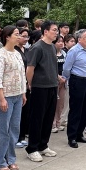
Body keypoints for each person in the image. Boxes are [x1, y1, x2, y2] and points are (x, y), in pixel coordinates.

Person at [0, 26, 27, 170]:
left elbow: (22, 75)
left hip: (17, 95)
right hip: (5, 96)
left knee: (14, 129)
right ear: (7, 36)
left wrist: (23, 93)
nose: (19, 37)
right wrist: (1, 98)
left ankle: (10, 159)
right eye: (16, 34)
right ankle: (0, 161)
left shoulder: (17, 54)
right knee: (2, 130)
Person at [25, 21, 62, 162]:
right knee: (37, 118)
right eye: (54, 30)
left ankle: (43, 145)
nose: (56, 33)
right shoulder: (37, 47)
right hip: (39, 87)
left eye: (57, 30)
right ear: (45, 31)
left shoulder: (52, 47)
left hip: (52, 86)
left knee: (48, 118)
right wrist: (30, 84)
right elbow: (30, 68)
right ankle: (32, 148)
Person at [62, 29, 86, 148]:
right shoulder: (74, 50)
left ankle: (80, 134)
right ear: (79, 39)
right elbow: (66, 68)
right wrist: (67, 79)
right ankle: (72, 137)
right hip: (77, 80)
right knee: (76, 109)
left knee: (85, 109)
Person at [52, 36, 67, 133]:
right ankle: (52, 123)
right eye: (58, 41)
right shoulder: (51, 53)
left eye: (62, 41)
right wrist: (58, 77)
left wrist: (64, 78)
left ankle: (58, 122)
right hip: (54, 80)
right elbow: (51, 68)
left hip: (63, 81)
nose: (61, 43)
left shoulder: (64, 53)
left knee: (61, 103)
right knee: (53, 103)